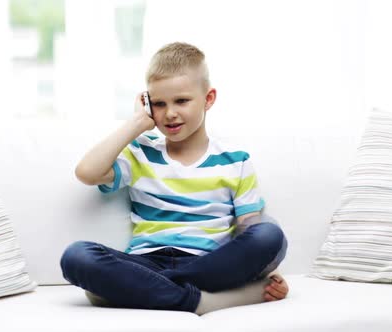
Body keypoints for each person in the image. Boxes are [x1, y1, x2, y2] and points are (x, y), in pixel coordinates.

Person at [61, 42, 289, 314]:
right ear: (147, 105)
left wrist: (265, 269)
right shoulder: (140, 152)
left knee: (270, 234)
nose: (169, 113)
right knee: (76, 257)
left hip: (210, 265)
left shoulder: (236, 161)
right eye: (158, 104)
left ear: (209, 98)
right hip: (146, 263)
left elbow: (249, 230)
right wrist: (136, 124)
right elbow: (87, 173)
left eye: (181, 101)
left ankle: (134, 291)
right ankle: (200, 301)